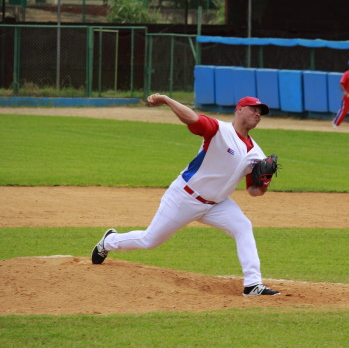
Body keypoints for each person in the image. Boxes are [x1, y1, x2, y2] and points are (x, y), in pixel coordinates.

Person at [91, 94, 281, 296]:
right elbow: (192, 118)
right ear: (239, 109)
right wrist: (166, 100)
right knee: (150, 240)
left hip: (217, 205)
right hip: (185, 197)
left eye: (260, 112)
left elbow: (254, 191)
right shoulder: (219, 130)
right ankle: (109, 242)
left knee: (243, 226)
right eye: (254, 109)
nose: (257, 114)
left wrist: (265, 181)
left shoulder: (257, 155)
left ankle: (252, 285)